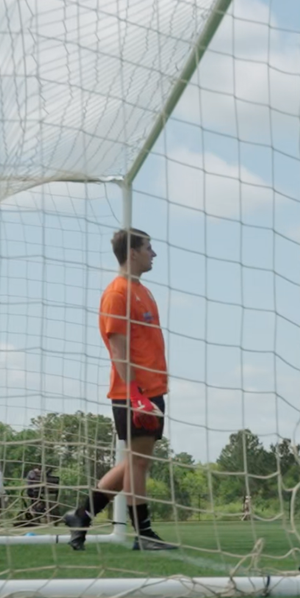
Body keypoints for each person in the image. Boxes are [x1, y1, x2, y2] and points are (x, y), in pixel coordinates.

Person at [68, 227, 176, 550]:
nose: (153, 253)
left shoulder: (143, 290)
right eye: (149, 247)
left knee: (133, 462)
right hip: (134, 392)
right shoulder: (117, 293)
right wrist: (135, 394)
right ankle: (142, 534)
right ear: (132, 253)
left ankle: (82, 514)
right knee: (138, 464)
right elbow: (118, 348)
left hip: (151, 389)